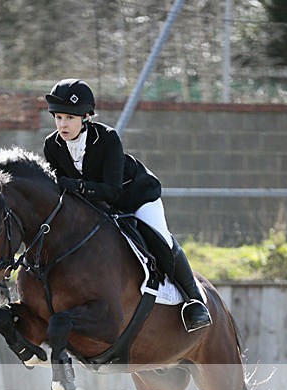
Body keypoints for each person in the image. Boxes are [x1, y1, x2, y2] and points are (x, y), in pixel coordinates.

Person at [43, 78, 212, 333]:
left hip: (135, 197)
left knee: (159, 238)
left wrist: (71, 184)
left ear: (86, 117)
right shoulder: (51, 145)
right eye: (58, 118)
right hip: (97, 205)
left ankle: (194, 301)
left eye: (70, 118)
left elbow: (112, 191)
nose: (63, 124)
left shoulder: (107, 138)